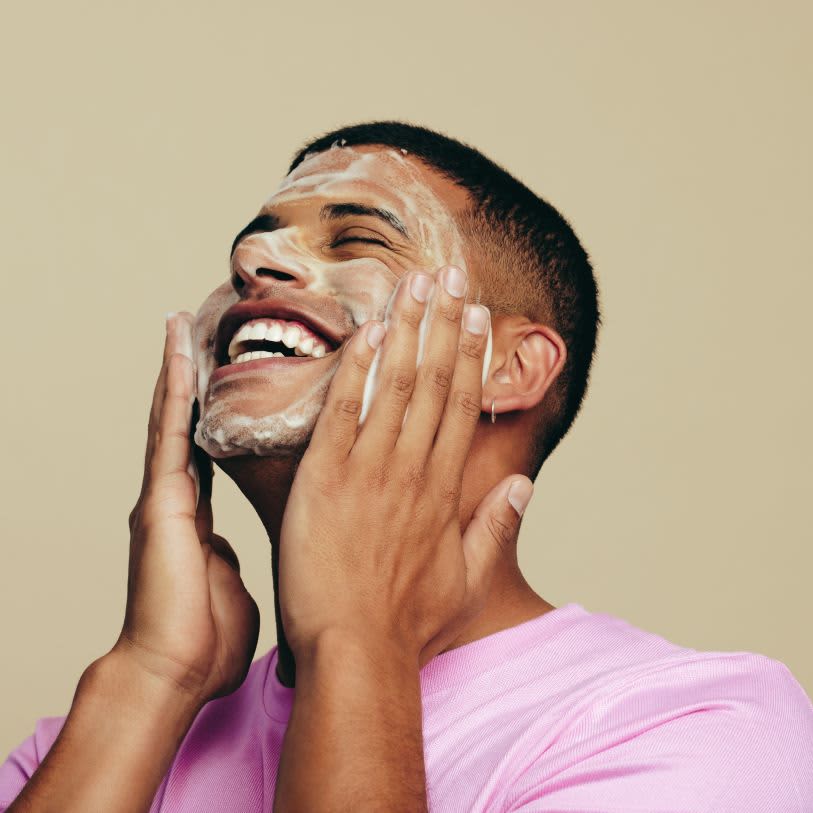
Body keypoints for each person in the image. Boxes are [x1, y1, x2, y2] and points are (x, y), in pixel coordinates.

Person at [1, 121, 811, 812]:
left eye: (356, 240)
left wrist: (357, 637)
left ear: (509, 367)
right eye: (250, 245)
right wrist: (151, 676)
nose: (254, 258)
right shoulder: (103, 737)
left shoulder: (701, 727)